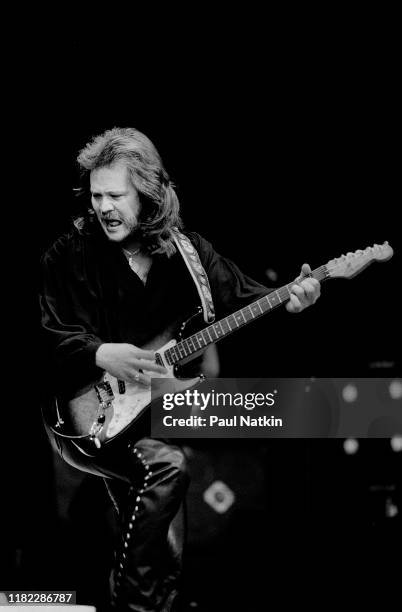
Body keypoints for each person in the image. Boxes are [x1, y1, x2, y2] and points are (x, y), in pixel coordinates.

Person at [40, 127, 320, 611]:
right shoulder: (70, 254)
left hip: (154, 416)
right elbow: (44, 334)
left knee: (168, 562)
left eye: (115, 195)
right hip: (83, 415)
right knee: (167, 468)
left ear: (147, 191)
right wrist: (100, 354)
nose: (103, 207)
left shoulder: (190, 255)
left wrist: (293, 300)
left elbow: (245, 295)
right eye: (96, 195)